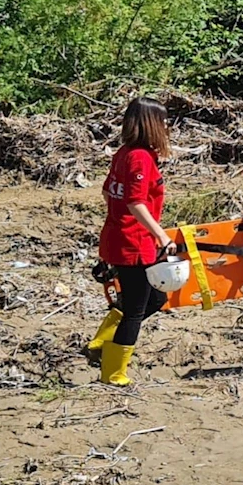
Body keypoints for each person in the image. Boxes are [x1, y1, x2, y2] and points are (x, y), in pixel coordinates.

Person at [84, 97, 177, 385]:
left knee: (157, 298)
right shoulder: (139, 157)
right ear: (151, 124)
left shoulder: (125, 153)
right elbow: (136, 202)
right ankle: (113, 374)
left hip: (119, 236)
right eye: (163, 121)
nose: (166, 126)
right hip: (133, 243)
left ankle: (102, 343)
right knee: (135, 310)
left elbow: (107, 192)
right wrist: (161, 235)